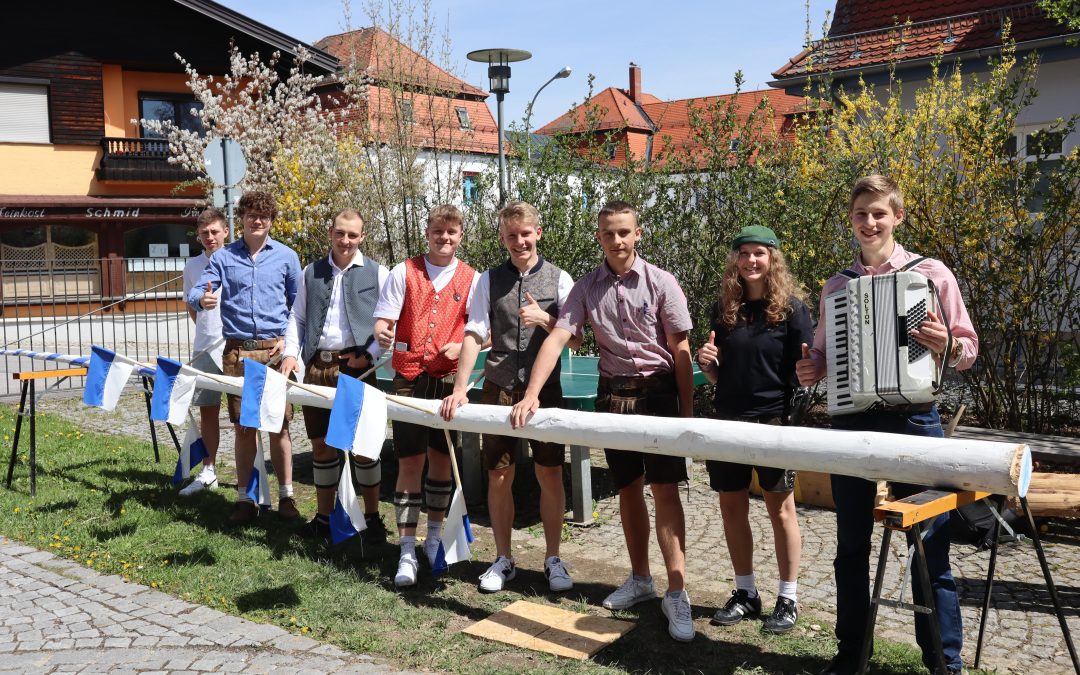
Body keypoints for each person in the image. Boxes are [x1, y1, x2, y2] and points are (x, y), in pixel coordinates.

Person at [795, 175, 978, 675]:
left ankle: (945, 663)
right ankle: (852, 653)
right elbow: (821, 358)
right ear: (851, 221)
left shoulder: (931, 274)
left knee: (931, 547)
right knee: (850, 544)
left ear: (897, 216)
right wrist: (811, 367)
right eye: (861, 214)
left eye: (879, 213)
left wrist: (947, 344)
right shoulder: (837, 286)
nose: (870, 222)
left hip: (915, 418)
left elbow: (969, 350)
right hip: (852, 421)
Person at [510, 200, 696, 642]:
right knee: (629, 490)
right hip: (614, 398)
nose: (617, 240)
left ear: (638, 234)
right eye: (609, 233)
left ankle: (678, 591)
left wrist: (689, 416)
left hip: (660, 396)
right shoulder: (587, 288)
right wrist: (532, 394)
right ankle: (641, 580)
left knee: (665, 491)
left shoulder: (662, 282)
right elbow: (558, 337)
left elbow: (682, 350)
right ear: (599, 238)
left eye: (624, 232)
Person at [439, 201, 578, 593]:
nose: (519, 241)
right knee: (498, 475)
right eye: (511, 235)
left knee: (549, 473)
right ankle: (503, 558)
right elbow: (474, 332)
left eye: (525, 233)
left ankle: (553, 558)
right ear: (503, 238)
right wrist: (461, 387)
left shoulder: (559, 279)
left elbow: (578, 337)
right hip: (497, 390)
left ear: (538, 233)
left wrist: (546, 320)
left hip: (544, 393)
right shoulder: (487, 280)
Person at [695, 225, 810, 634]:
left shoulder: (793, 310)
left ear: (773, 258)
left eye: (759, 253)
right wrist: (708, 365)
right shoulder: (724, 308)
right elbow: (717, 376)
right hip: (728, 420)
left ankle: (788, 598)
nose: (751, 261)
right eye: (743, 253)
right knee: (731, 506)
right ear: (735, 261)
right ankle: (746, 592)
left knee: (781, 509)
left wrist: (812, 373)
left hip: (775, 422)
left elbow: (807, 373)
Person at [373, 205, 479, 587]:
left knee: (441, 461)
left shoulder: (473, 279)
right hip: (407, 380)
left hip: (449, 383)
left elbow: (483, 331)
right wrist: (383, 331)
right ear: (428, 233)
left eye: (451, 233)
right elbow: (383, 319)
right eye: (438, 232)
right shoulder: (404, 271)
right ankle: (405, 548)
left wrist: (462, 346)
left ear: (460, 235)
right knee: (409, 462)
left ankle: (434, 540)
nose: (444, 238)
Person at [188, 191, 303, 526]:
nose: (257, 221)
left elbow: (297, 306)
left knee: (279, 427)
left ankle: (286, 497)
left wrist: (289, 341)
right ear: (241, 220)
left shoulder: (286, 257)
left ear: (270, 221)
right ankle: (245, 499)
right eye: (252, 215)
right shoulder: (224, 259)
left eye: (264, 216)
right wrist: (202, 299)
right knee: (244, 427)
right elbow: (198, 291)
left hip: (275, 353)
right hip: (238, 353)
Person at [280, 208, 390, 544]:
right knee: (322, 446)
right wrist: (290, 355)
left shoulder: (378, 273)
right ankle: (325, 518)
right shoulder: (310, 271)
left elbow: (388, 325)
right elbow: (297, 319)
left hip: (357, 369)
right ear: (331, 233)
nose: (345, 241)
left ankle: (372, 519)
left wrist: (369, 356)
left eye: (352, 235)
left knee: (364, 448)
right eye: (340, 233)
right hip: (317, 368)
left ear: (362, 237)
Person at [178, 207, 227, 496]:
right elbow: (190, 304)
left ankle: (251, 475)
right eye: (204, 233)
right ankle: (209, 470)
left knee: (242, 415)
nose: (210, 237)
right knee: (208, 410)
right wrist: (207, 326)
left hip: (234, 348)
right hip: (204, 348)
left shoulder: (238, 260)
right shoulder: (193, 266)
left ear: (225, 231)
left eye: (214, 231)